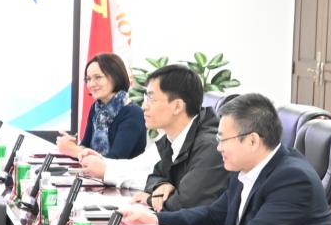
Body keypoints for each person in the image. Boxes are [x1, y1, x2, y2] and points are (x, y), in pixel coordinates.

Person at [119, 92, 331, 225]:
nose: (218, 147)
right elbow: (213, 215)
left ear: (252, 141)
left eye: (223, 140)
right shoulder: (244, 167)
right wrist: (157, 220)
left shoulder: (292, 179)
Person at [76, 64, 225, 211]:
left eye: (151, 99)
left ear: (177, 106)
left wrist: (149, 198)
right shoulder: (172, 138)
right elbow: (150, 173)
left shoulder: (211, 147)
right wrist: (159, 184)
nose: (144, 106)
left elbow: (184, 203)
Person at [57, 53, 145, 160]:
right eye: (88, 79)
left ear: (115, 77)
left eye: (98, 77)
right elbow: (86, 146)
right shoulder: (96, 108)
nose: (91, 84)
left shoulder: (133, 112)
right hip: (93, 171)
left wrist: (74, 150)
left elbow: (115, 159)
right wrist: (73, 146)